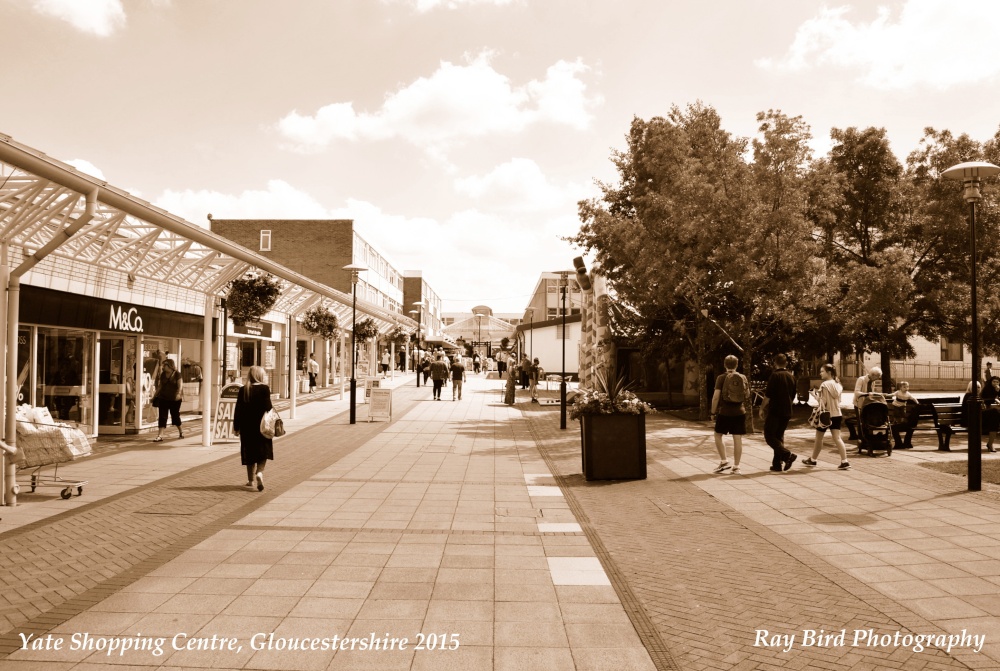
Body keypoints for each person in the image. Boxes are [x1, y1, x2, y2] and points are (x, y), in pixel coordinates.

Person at [803, 364, 851, 470]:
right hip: (837, 414)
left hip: (826, 415)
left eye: (822, 371)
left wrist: (814, 395)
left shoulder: (824, 384)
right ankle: (845, 461)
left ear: (829, 372)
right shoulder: (838, 384)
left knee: (819, 438)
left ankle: (813, 460)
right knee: (837, 438)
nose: (820, 373)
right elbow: (839, 400)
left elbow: (823, 402)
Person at [233, 366, 273, 491]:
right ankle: (259, 472)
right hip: (262, 426)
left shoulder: (244, 389)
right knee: (263, 451)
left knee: (249, 451)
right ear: (260, 376)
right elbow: (269, 408)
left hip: (246, 426)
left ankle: (250, 481)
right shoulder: (264, 389)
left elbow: (238, 410)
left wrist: (236, 427)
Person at [710, 355, 748, 474]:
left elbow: (716, 397)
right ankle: (736, 466)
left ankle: (724, 461)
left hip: (725, 412)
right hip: (740, 411)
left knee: (718, 435)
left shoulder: (721, 378)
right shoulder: (743, 377)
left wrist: (712, 412)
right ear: (737, 365)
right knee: (737, 438)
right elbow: (747, 395)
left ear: (725, 365)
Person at [761, 353, 797, 472]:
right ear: (786, 363)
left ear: (775, 363)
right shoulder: (791, 377)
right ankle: (777, 464)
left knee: (769, 435)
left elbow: (768, 395)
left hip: (775, 410)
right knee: (779, 436)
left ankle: (787, 455)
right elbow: (793, 395)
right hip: (787, 410)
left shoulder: (774, 376)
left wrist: (762, 408)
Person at [152, 358, 184, 442]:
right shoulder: (163, 374)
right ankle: (160, 435)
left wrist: (178, 394)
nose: (163, 367)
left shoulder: (177, 374)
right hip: (163, 398)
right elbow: (160, 386)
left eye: (164, 365)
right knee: (162, 416)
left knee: (175, 416)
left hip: (175, 399)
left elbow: (180, 386)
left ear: (170, 366)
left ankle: (181, 431)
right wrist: (154, 396)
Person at [888, 380, 918, 450]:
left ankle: (901, 421)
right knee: (896, 413)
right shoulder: (898, 392)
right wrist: (887, 395)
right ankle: (896, 420)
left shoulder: (908, 394)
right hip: (896, 405)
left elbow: (913, 398)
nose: (906, 388)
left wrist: (917, 402)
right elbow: (892, 395)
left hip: (902, 406)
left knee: (903, 413)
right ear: (900, 387)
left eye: (907, 387)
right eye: (904, 387)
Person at [983, 376, 1000, 452]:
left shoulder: (999, 389)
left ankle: (990, 443)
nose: (995, 383)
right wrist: (996, 393)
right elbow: (986, 400)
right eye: (994, 382)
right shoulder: (987, 389)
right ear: (991, 382)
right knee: (994, 423)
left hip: (995, 413)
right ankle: (990, 443)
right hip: (988, 414)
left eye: (997, 382)